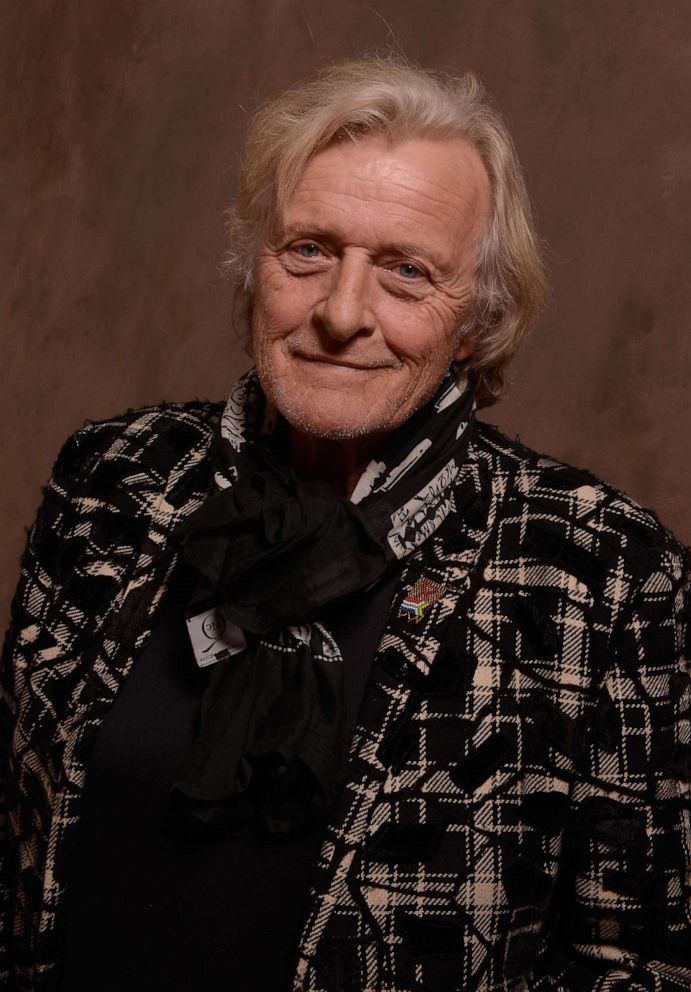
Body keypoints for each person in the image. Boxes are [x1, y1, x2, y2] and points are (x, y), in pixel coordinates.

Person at [2, 56, 689, 992]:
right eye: (309, 250)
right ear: (255, 267)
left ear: (477, 319)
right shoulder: (113, 480)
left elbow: (640, 962)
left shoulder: (601, 570)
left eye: (407, 272)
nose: (340, 313)